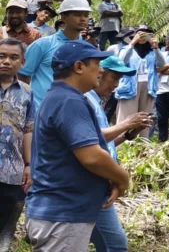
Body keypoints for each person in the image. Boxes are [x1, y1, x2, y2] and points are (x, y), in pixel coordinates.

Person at [25, 40, 130, 252]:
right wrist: (123, 178)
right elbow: (92, 156)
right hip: (62, 215)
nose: (100, 70)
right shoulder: (68, 101)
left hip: (63, 210)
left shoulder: (60, 97)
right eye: (96, 64)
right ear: (79, 67)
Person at [85, 56, 153, 252]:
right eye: (113, 78)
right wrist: (126, 123)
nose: (115, 85)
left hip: (99, 183)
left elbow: (104, 142)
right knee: (116, 244)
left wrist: (128, 134)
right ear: (99, 74)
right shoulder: (86, 100)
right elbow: (91, 139)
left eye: (118, 80)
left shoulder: (97, 102)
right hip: (93, 182)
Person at [19, 0, 90, 107]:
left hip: (72, 111)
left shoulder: (87, 49)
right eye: (77, 14)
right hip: (40, 111)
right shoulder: (42, 44)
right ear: (63, 17)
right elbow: (22, 76)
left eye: (86, 15)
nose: (83, 18)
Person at [0, 38, 32, 252]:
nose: (6, 61)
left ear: (22, 62)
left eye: (13, 57)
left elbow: (28, 129)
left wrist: (28, 164)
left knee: (5, 230)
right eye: (1, 56)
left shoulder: (27, 92)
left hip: (12, 172)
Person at [114, 26, 165, 129]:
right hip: (130, 86)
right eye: (141, 35)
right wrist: (132, 43)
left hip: (148, 86)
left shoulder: (152, 51)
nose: (143, 38)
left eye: (146, 35)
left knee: (145, 117)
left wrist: (156, 48)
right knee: (126, 117)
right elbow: (121, 62)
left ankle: (142, 142)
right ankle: (123, 141)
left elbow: (162, 64)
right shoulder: (126, 48)